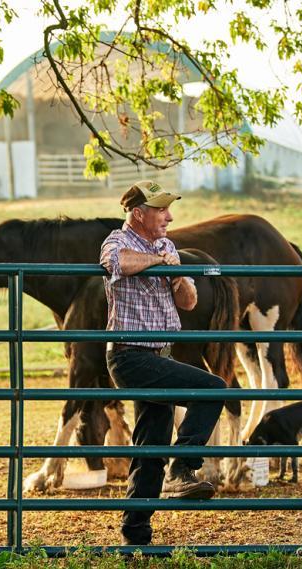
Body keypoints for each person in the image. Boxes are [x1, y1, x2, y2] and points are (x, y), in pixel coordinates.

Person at [100, 180, 227, 547]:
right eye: (161, 210)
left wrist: (177, 277)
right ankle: (183, 466)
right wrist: (158, 262)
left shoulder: (167, 245)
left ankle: (136, 536)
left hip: (158, 355)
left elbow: (188, 302)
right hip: (130, 356)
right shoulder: (117, 240)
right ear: (138, 214)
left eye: (168, 209)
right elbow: (116, 263)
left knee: (150, 448)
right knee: (212, 388)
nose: (169, 217)